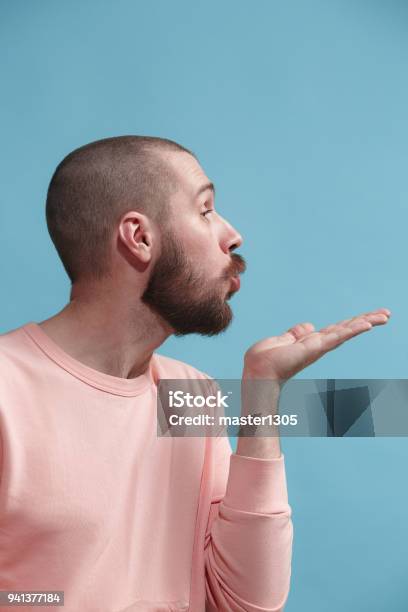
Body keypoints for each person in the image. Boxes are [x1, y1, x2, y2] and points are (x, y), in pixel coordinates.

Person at [0, 136, 391, 612]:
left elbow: (246, 601)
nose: (232, 234)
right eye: (205, 211)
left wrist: (262, 395)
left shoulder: (191, 394)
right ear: (139, 238)